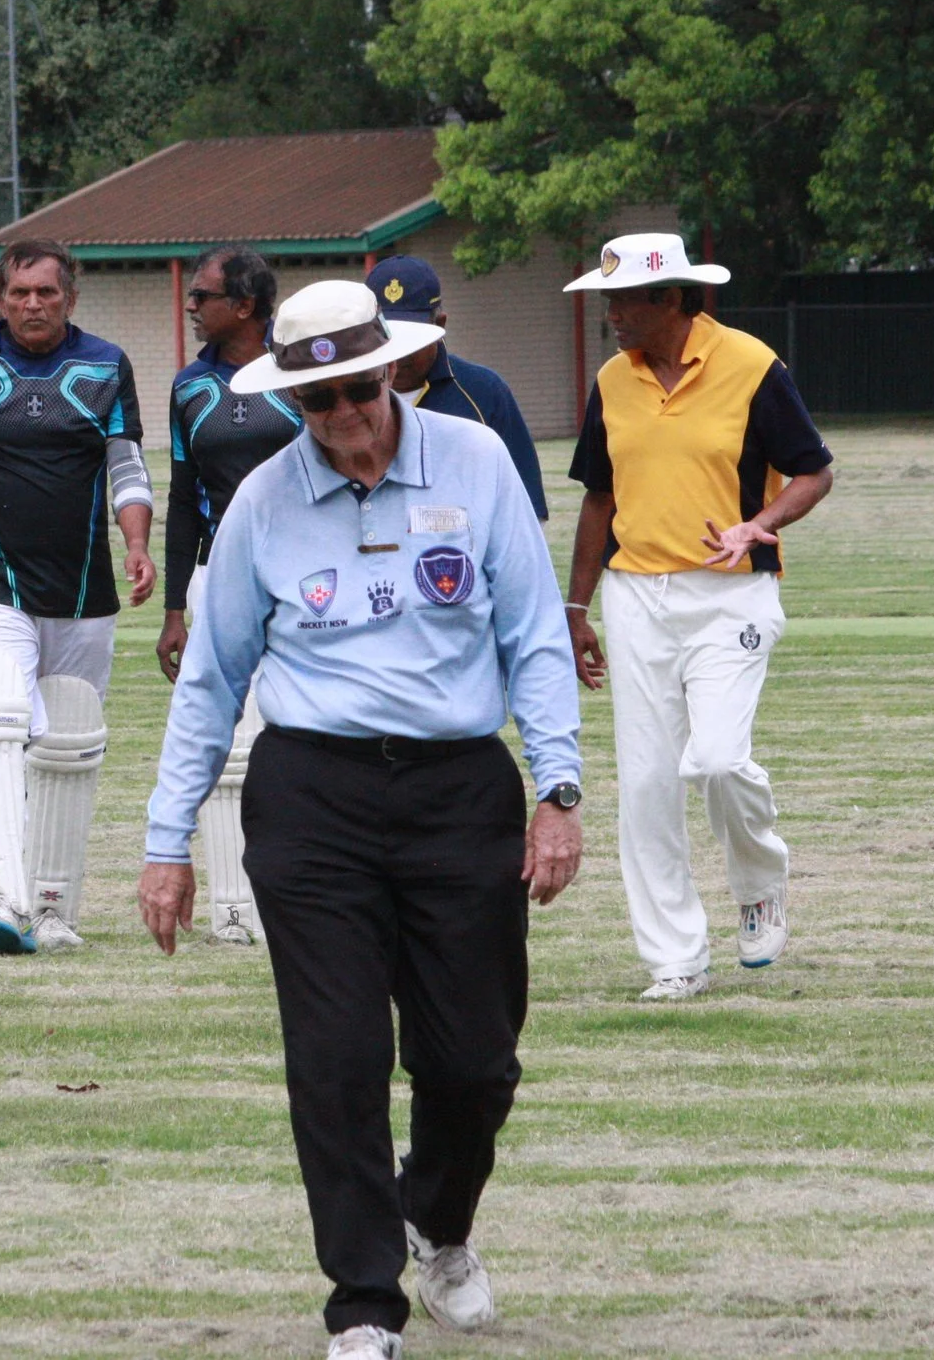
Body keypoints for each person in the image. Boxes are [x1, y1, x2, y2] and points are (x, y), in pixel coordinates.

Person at [137, 280, 584, 1357]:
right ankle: (364, 1302)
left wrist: (557, 790)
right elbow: (210, 679)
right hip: (313, 797)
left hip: (458, 788)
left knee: (474, 1059)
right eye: (316, 397)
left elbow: (533, 634)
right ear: (291, 399)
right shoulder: (261, 503)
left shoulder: (477, 463)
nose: (342, 413)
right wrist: (165, 840)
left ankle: (438, 1219)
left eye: (357, 388)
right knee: (336, 1056)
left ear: (392, 370)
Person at [560, 233, 835, 1001]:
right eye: (607, 300)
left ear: (672, 298)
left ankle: (759, 883)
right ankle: (674, 959)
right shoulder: (612, 380)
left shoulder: (752, 365)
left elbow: (815, 472)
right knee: (647, 782)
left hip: (731, 591)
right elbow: (599, 498)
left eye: (624, 300)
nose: (612, 315)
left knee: (714, 759)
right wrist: (576, 606)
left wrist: (760, 524)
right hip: (635, 595)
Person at [0, 238, 157, 955]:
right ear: (1, 298)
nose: (32, 304)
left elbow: (127, 466)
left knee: (65, 742)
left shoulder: (105, 366)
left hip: (84, 593)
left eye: (46, 292)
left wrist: (137, 544)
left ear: (69, 297)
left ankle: (52, 908)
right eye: (19, 292)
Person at [153, 244, 301, 945]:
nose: (191, 306)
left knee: (291, 732)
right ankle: (234, 908)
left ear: (244, 306)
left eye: (203, 296)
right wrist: (174, 610)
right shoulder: (190, 386)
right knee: (222, 734)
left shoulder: (299, 373)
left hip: (302, 576)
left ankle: (294, 889)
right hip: (218, 577)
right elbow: (184, 499)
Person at [370, 254, 550, 522]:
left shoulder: (485, 392)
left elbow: (526, 510)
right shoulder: (337, 399)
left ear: (440, 324)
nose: (400, 351)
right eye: (386, 333)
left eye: (412, 336)